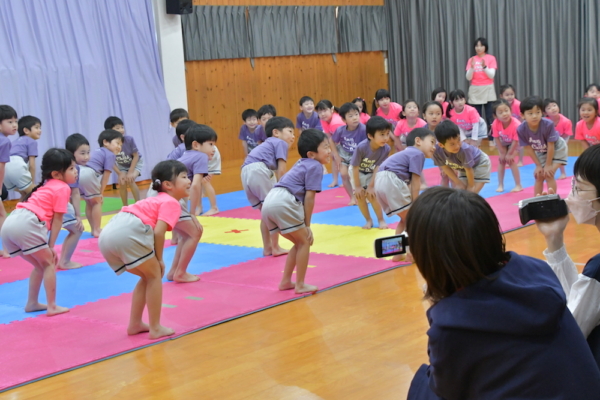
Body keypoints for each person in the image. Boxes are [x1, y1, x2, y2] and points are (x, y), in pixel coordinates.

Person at [406, 186, 600, 400]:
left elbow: (445, 390)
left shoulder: (452, 325)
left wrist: (438, 302)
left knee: (422, 389)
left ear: (427, 255)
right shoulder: (534, 272)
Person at [99, 160, 189, 340]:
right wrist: (160, 259)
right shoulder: (172, 202)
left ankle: (135, 323)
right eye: (184, 177)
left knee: (147, 276)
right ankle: (155, 327)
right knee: (155, 274)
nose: (189, 181)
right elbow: (159, 231)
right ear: (168, 185)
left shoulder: (153, 199)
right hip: (128, 232)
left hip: (108, 233)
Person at [537, 144, 600, 369]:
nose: (572, 193)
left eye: (579, 187)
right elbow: (584, 301)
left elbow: (571, 333)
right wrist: (554, 239)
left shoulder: (598, 271)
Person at [1, 148, 76, 316]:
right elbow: (57, 221)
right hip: (27, 224)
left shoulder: (45, 185)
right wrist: (51, 246)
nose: (76, 171)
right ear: (57, 174)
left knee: (40, 266)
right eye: (71, 168)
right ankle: (52, 306)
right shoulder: (63, 187)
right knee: (49, 263)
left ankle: (32, 303)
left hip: (11, 223)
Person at [261, 129, 330, 294]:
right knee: (305, 241)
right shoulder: (315, 166)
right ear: (312, 154)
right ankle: (300, 284)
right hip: (284, 202)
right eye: (325, 147)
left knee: (298, 243)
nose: (329, 151)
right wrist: (307, 225)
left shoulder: (301, 162)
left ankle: (286, 281)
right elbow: (309, 198)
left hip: (270, 201)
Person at [375, 128, 435, 257]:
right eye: (432, 142)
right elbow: (415, 182)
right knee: (413, 219)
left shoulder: (406, 153)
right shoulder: (418, 154)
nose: (434, 147)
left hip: (380, 182)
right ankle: (411, 253)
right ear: (418, 141)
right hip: (391, 180)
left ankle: (397, 253)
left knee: (405, 219)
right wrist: (416, 203)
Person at [241, 116, 295, 257]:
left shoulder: (269, 143)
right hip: (259, 170)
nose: (293, 136)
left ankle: (268, 248)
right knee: (272, 211)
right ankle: (275, 247)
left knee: (265, 213)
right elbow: (281, 170)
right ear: (276, 132)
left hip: (246, 172)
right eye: (290, 131)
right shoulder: (280, 143)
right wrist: (283, 189)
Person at [168, 124, 215, 282]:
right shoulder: (200, 156)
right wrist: (193, 214)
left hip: (166, 196)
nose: (213, 149)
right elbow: (195, 186)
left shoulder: (187, 155)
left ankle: (174, 271)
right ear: (196, 145)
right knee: (195, 232)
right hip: (169, 198)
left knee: (186, 235)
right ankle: (180, 272)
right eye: (211, 144)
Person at [517, 96, 568, 194]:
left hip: (557, 148)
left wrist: (548, 165)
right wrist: (538, 165)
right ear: (522, 115)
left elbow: (551, 145)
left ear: (542, 112)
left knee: (548, 174)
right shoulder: (521, 129)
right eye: (530, 113)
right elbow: (529, 148)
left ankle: (552, 200)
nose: (534, 116)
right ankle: (537, 200)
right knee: (539, 175)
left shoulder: (548, 124)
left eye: (537, 112)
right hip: (541, 150)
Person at [79, 129, 123, 237]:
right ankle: (97, 229)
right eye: (117, 143)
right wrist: (101, 193)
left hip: (79, 172)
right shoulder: (110, 155)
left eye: (121, 145)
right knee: (97, 202)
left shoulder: (97, 151)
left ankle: (93, 228)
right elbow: (106, 177)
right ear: (106, 142)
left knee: (89, 202)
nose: (119, 147)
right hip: (89, 174)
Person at [350, 116, 390, 230]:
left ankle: (381, 219)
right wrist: (357, 186)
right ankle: (368, 220)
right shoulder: (361, 147)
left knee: (373, 196)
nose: (386, 137)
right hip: (357, 171)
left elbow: (378, 167)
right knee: (360, 197)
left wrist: (371, 186)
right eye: (382, 134)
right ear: (370, 136)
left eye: (387, 134)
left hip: (373, 172)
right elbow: (355, 167)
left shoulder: (385, 148)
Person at [58, 133, 89, 270]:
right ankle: (64, 261)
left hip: (51, 201)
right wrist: (78, 216)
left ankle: (62, 260)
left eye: (88, 153)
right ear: (71, 153)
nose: (86, 157)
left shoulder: (60, 163)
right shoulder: (73, 167)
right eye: (82, 153)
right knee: (77, 230)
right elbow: (75, 193)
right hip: (59, 202)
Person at [433, 120, 491, 194]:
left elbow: (469, 170)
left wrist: (471, 186)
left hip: (480, 162)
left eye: (458, 140)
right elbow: (445, 168)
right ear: (441, 145)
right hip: (463, 166)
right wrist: (458, 183)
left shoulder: (464, 149)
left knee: (470, 195)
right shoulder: (437, 151)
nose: (457, 146)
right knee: (459, 193)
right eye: (452, 144)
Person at [331, 103, 368, 205]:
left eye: (356, 114)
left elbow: (368, 144)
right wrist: (337, 156)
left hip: (358, 155)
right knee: (343, 174)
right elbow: (332, 141)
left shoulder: (363, 129)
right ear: (344, 120)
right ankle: (352, 197)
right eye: (350, 116)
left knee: (359, 176)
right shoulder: (340, 130)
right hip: (344, 154)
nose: (355, 118)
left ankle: (364, 195)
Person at [105, 117, 143, 206]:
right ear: (109, 131)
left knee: (130, 180)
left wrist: (130, 172)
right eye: (117, 128)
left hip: (136, 162)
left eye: (122, 127)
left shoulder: (129, 139)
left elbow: (136, 156)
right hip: (123, 165)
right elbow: (111, 161)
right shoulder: (109, 144)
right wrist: (120, 173)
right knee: (122, 182)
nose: (121, 130)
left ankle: (139, 204)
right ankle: (125, 206)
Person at [4, 115, 40, 199]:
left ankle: (19, 211)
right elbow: (32, 165)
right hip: (16, 165)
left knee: (25, 194)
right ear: (26, 130)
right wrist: (32, 183)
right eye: (37, 127)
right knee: (34, 193)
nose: (40, 130)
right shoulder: (32, 142)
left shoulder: (15, 142)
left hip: (4, 168)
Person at [490, 99, 522, 193]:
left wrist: (510, 153)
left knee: (511, 161)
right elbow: (496, 138)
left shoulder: (516, 125)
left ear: (510, 111)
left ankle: (518, 185)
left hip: (516, 143)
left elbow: (516, 141)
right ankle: (500, 184)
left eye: (506, 110)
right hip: (503, 141)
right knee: (501, 160)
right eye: (500, 112)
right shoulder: (495, 123)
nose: (504, 114)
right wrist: (503, 153)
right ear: (495, 116)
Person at [466, 37, 497, 125]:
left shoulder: (491, 58)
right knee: (476, 116)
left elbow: (491, 75)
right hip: (475, 89)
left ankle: (492, 137)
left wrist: (484, 67)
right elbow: (468, 78)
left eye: (481, 45)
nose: (478, 48)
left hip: (488, 89)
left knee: (490, 115)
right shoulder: (471, 60)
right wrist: (472, 67)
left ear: (485, 47)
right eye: (477, 46)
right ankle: (478, 136)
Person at [0, 105, 18, 258]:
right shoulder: (4, 142)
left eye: (15, 121)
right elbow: (1, 167)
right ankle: (7, 249)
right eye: (10, 122)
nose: (14, 125)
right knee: (1, 214)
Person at [316, 99, 345, 188]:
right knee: (334, 157)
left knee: (344, 161)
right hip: (337, 141)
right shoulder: (323, 120)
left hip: (346, 141)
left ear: (332, 109)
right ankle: (335, 180)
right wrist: (331, 150)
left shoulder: (336, 122)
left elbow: (341, 139)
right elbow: (329, 136)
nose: (322, 114)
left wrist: (336, 151)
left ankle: (347, 181)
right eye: (320, 112)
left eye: (325, 111)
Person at [544, 98, 572, 179]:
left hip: (563, 138)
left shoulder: (566, 121)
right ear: (545, 112)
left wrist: (559, 142)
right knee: (548, 155)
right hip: (550, 140)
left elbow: (567, 134)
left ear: (558, 107)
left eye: (554, 105)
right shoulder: (545, 121)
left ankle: (563, 173)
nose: (553, 108)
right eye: (549, 108)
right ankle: (548, 170)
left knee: (559, 154)